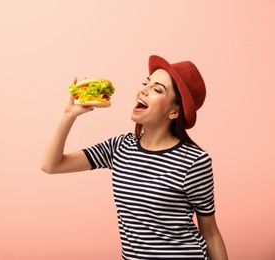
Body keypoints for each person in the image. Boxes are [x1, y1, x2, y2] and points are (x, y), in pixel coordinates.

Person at [40, 55, 228, 260]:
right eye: (145, 83)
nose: (143, 90)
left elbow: (210, 232)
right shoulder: (121, 147)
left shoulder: (194, 161)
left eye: (157, 89)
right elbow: (51, 165)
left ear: (174, 111)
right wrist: (69, 114)